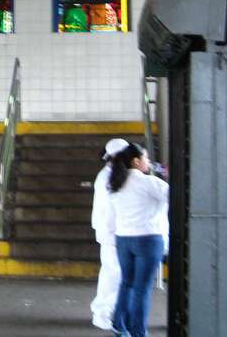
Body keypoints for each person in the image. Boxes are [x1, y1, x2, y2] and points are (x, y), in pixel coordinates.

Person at [109, 143, 169, 337]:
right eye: (146, 158)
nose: (149, 161)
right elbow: (174, 196)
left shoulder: (117, 184)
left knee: (126, 283)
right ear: (136, 161)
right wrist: (166, 176)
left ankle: (119, 326)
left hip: (123, 240)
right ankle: (138, 332)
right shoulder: (149, 182)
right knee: (142, 289)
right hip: (148, 240)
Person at [90, 138, 129, 331]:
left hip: (111, 231)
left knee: (113, 272)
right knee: (113, 273)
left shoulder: (108, 174)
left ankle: (106, 310)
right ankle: (102, 313)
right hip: (111, 232)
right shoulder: (109, 177)